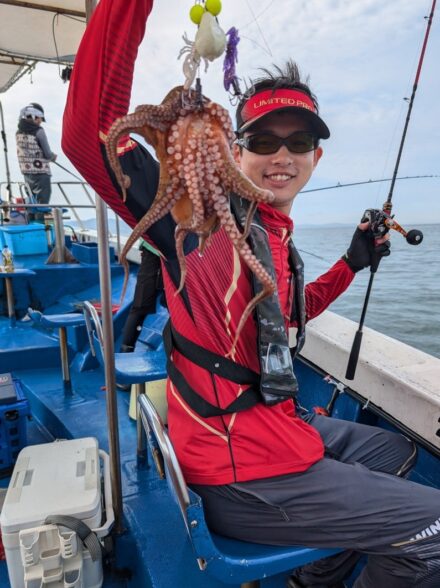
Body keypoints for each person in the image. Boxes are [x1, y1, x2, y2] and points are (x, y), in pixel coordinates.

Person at [62, 1, 440, 586]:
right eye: (263, 139)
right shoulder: (200, 223)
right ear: (234, 152)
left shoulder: (276, 239)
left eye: (299, 140)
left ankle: (311, 578)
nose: (282, 155)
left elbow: (283, 319)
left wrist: (350, 264)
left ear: (318, 155)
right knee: (433, 527)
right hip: (239, 471)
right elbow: (89, 137)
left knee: (399, 456)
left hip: (276, 427)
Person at [116, 239, 164, 390]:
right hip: (154, 251)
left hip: (176, 252)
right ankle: (125, 359)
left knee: (175, 306)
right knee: (140, 306)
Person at [16, 103, 57, 221]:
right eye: (40, 118)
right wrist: (54, 157)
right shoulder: (39, 131)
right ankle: (40, 229)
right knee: (42, 204)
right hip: (41, 174)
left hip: (27, 173)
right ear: (34, 116)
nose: (41, 121)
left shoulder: (18, 132)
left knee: (31, 203)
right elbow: (48, 154)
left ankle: (30, 226)